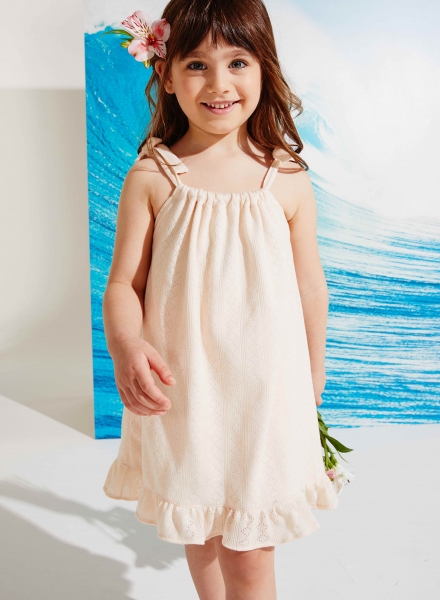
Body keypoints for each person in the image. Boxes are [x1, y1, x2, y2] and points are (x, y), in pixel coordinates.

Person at [102, 0, 339, 597]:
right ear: (166, 75)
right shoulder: (154, 176)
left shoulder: (285, 177)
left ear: (264, 69)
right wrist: (126, 344)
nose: (218, 84)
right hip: (187, 388)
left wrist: (311, 377)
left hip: (266, 390)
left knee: (250, 552)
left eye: (237, 62)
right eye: (197, 65)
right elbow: (125, 285)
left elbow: (311, 286)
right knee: (202, 529)